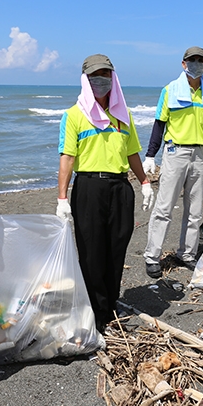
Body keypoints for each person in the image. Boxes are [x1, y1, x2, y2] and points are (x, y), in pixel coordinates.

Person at [56, 54, 152, 333]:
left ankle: (110, 303)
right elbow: (67, 158)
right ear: (85, 79)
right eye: (95, 75)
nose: (101, 80)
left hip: (120, 188)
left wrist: (144, 181)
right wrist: (62, 198)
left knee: (116, 248)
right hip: (89, 188)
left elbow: (132, 152)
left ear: (113, 77)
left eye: (106, 74)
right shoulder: (74, 115)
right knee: (91, 251)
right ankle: (95, 311)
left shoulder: (123, 115)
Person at [142, 46, 203, 278]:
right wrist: (150, 155)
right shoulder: (170, 90)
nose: (196, 64)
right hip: (175, 153)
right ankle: (152, 256)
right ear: (183, 63)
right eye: (192, 60)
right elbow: (159, 124)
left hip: (199, 155)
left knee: (195, 210)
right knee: (164, 207)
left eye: (200, 60)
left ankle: (186, 253)